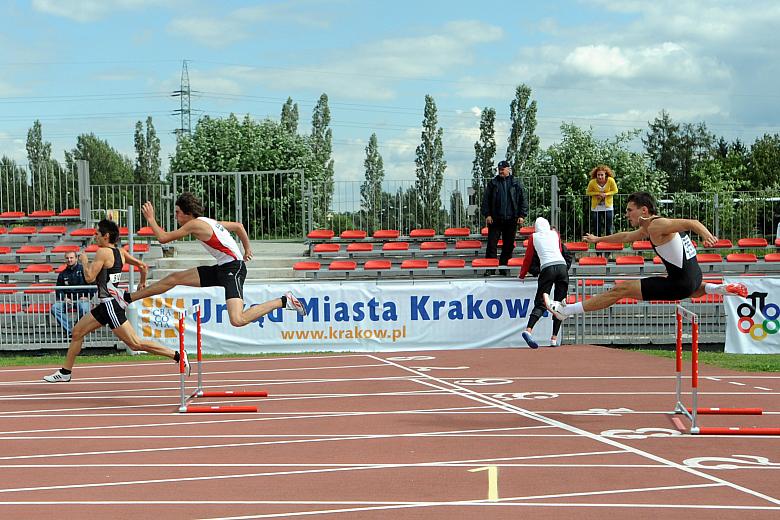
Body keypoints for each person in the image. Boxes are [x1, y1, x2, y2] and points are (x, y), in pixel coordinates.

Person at [544, 192, 748, 321]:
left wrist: (707, 236)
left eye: (629, 210)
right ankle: (718, 289)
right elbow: (625, 236)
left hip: (682, 283)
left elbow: (692, 222)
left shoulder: (657, 225)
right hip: (695, 281)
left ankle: (566, 310)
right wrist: (598, 239)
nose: (626, 214)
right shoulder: (648, 228)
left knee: (620, 289)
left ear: (643, 210)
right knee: (689, 289)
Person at [113, 192, 307, 326]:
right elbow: (239, 226)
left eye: (177, 212)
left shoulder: (195, 224)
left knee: (237, 320)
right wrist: (247, 248)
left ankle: (283, 301)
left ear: (188, 213)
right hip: (222, 267)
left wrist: (151, 219)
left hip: (233, 268)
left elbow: (163, 238)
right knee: (174, 278)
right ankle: (128, 298)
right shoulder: (209, 222)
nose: (176, 216)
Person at [44, 220, 188, 382]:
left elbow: (89, 278)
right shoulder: (120, 252)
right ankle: (65, 372)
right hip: (106, 304)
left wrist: (85, 263)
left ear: (106, 236)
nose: (95, 236)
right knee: (77, 332)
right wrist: (142, 282)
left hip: (111, 305)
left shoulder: (103, 252)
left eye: (97, 234)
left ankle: (177, 355)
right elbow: (142, 266)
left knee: (134, 343)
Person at [518, 217, 571, 349]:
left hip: (547, 268)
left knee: (541, 301)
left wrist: (522, 274)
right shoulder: (555, 234)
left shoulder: (534, 237)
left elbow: (528, 258)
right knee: (560, 303)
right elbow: (559, 250)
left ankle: (528, 330)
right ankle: (554, 338)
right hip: (562, 267)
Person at [481, 160, 528, 276]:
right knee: (492, 245)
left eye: (503, 169)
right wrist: (487, 214)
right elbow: (486, 200)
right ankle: (490, 268)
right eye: (499, 169)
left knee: (508, 245)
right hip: (495, 219)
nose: (501, 171)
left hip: (511, 219)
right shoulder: (493, 183)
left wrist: (522, 215)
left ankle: (504, 267)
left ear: (509, 169)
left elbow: (523, 200)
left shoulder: (516, 183)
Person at [50, 251, 95, 336]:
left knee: (85, 308)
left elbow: (93, 284)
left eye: (71, 258)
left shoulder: (84, 270)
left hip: (82, 300)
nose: (69, 260)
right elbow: (58, 289)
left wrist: (88, 296)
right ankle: (70, 331)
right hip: (68, 301)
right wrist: (64, 298)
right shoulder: (62, 274)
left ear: (76, 258)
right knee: (55, 308)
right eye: (67, 258)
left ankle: (77, 329)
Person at [586, 165, 618, 236]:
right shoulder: (592, 182)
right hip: (596, 207)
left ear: (605, 174)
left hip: (608, 206)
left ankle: (609, 244)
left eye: (601, 175)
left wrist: (606, 194)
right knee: (597, 227)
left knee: (609, 226)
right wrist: (597, 194)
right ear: (596, 175)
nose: (600, 177)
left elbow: (615, 190)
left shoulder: (610, 180)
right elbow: (588, 192)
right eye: (598, 175)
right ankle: (597, 244)